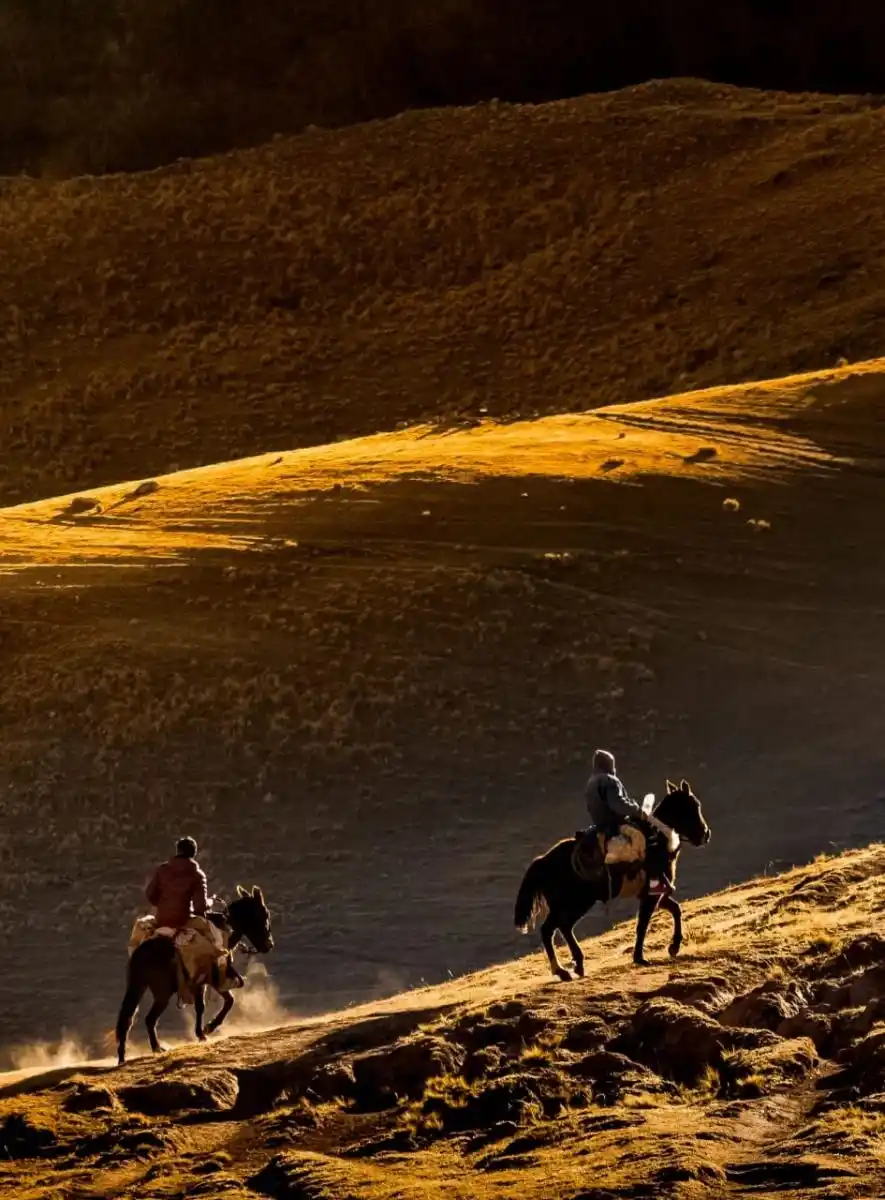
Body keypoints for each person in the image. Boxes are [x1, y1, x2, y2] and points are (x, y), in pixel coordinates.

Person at [145, 837, 243, 996]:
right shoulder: (197, 874)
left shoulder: (162, 869)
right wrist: (211, 900)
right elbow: (200, 908)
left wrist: (164, 905)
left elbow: (150, 894)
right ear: (194, 853)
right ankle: (222, 979)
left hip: (161, 919)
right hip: (183, 920)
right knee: (217, 940)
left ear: (178, 851)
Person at [583, 749, 674, 895]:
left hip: (600, 826)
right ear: (609, 765)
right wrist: (638, 811)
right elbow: (618, 804)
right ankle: (654, 884)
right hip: (616, 825)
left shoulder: (591, 783)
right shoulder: (609, 780)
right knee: (646, 839)